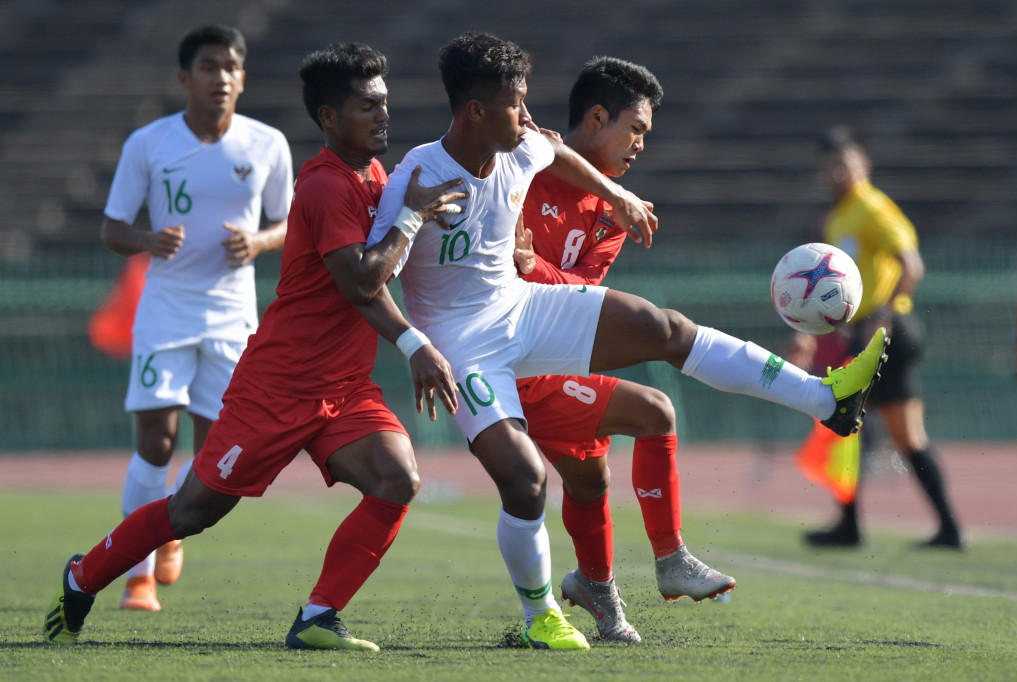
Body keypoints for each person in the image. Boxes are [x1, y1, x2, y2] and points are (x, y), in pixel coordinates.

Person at [365, 31, 889, 650]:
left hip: (524, 313)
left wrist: (613, 195)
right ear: (477, 110)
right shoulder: (418, 174)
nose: (528, 115)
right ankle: (544, 614)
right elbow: (368, 279)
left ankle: (827, 401)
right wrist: (414, 332)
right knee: (528, 480)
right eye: (516, 103)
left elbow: (554, 154)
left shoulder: (528, 150)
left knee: (662, 331)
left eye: (527, 99)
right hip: (465, 349)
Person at [44, 42, 466, 650]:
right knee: (192, 512)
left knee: (397, 477)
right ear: (329, 118)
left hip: (343, 388)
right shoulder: (324, 186)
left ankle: (318, 616)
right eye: (366, 106)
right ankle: (82, 577)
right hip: (278, 387)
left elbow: (375, 275)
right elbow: (361, 283)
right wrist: (411, 234)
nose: (382, 115)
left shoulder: (374, 176)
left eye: (383, 103)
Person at [511, 56, 733, 644]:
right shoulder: (528, 168)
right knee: (655, 410)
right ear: (597, 116)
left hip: (553, 357)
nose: (640, 145)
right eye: (635, 128)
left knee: (589, 481)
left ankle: (595, 588)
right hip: (509, 361)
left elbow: (580, 292)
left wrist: (535, 266)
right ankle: (671, 558)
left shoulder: (615, 212)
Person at [98, 25, 294, 611]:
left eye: (230, 67)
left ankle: (171, 530)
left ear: (243, 78)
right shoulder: (149, 144)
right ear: (186, 78)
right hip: (165, 310)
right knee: (156, 441)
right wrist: (147, 240)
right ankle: (136, 575)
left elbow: (290, 224)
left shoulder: (267, 144)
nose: (220, 78)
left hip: (232, 316)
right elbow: (111, 228)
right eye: (209, 67)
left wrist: (258, 242)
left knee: (214, 451)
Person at [789, 126, 964, 549]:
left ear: (864, 166)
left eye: (845, 164)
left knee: (857, 428)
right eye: (831, 165)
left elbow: (912, 265)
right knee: (874, 432)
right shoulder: (839, 217)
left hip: (887, 333)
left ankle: (861, 528)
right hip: (869, 336)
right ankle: (941, 529)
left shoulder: (873, 207)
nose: (837, 172)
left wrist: (884, 314)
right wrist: (809, 332)